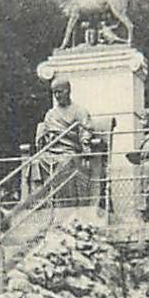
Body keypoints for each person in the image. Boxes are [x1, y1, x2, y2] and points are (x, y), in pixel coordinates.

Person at [34, 76, 101, 205]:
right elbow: (45, 132)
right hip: (52, 150)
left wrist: (85, 142)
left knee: (66, 162)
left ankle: (67, 202)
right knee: (36, 162)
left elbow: (86, 129)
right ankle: (42, 202)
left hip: (70, 149)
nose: (57, 96)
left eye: (60, 91)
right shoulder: (51, 114)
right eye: (54, 93)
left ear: (68, 91)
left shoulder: (79, 111)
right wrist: (42, 138)